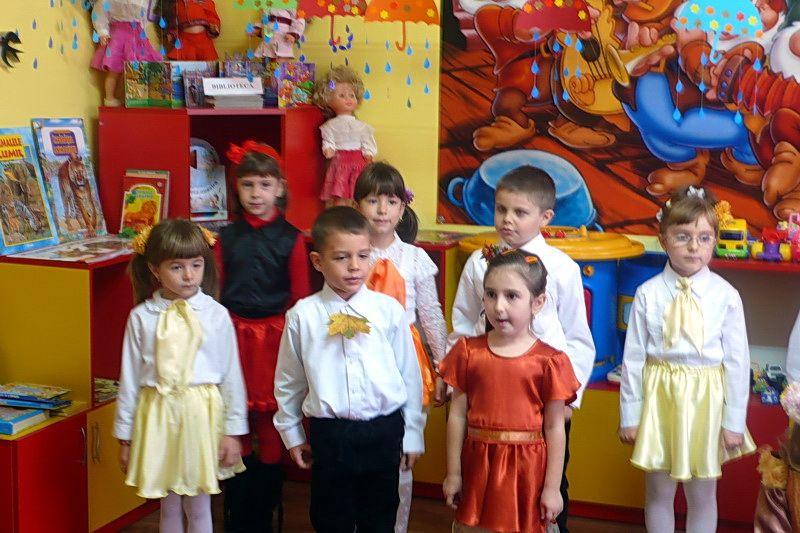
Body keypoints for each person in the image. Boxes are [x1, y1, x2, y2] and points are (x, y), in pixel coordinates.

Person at [448, 165, 595, 532]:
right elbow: (463, 322)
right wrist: (454, 381)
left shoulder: (562, 267)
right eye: (501, 209)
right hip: (488, 393)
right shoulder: (478, 262)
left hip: (543, 396)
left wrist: (569, 400)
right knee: (483, 477)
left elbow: (578, 338)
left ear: (545, 217)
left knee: (550, 482)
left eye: (519, 212)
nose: (507, 219)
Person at [274, 206, 425, 531]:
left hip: (384, 431)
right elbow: (289, 381)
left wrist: (413, 433)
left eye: (363, 256)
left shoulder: (388, 310)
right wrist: (292, 433)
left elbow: (409, 376)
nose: (355, 266)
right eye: (342, 257)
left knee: (380, 517)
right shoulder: (303, 316)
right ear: (318, 261)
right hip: (330, 434)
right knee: (330, 518)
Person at [619, 186, 756, 533]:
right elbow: (633, 359)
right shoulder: (648, 293)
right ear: (664, 240)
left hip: (706, 403)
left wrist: (734, 421)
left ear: (714, 242)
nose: (694, 246)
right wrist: (630, 416)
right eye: (683, 237)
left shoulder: (726, 295)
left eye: (704, 238)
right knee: (658, 492)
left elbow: (738, 362)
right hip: (660, 400)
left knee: (703, 495)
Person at [114, 218, 248, 532]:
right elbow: (130, 380)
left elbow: (231, 376)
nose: (189, 275)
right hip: (157, 416)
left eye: (196, 265)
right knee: (168, 504)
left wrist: (232, 431)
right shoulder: (141, 318)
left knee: (199, 506)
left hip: (201, 415)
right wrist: (126, 437)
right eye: (177, 267)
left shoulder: (216, 315)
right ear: (154, 269)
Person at [442, 248, 579, 532]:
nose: (499, 306)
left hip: (527, 471)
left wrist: (552, 488)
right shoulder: (468, 352)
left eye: (511, 296)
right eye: (491, 295)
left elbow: (555, 426)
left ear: (537, 302)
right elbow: (457, 415)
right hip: (478, 468)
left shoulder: (550, 361)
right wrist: (454, 473)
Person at [217, 141, 311, 531]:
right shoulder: (226, 238)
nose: (256, 194)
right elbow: (216, 292)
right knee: (235, 413)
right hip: (235, 336)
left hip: (275, 338)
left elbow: (300, 298)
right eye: (248, 185)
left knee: (273, 416)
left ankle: (266, 502)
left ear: (280, 188)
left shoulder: (292, 239)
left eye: (265, 185)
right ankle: (238, 504)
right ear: (236, 188)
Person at [354, 162, 447, 532]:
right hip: (358, 354)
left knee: (402, 454)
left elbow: (431, 314)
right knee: (360, 450)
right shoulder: (351, 254)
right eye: (372, 200)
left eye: (391, 201)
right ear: (357, 205)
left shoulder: (414, 257)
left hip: (405, 360)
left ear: (402, 207)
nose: (382, 210)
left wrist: (442, 366)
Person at [313, 66, 378, 207]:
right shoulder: (329, 126)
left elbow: (367, 141)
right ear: (329, 100)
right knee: (340, 194)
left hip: (359, 162)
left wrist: (369, 153)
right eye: (341, 96)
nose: (348, 99)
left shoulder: (362, 126)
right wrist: (328, 148)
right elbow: (328, 140)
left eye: (351, 95)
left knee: (360, 195)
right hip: (340, 163)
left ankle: (358, 216)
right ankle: (341, 216)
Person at [90, 0, 163, 106]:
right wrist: (102, 31)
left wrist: (142, 28)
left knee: (138, 68)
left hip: (137, 33)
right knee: (114, 70)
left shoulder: (143, 2)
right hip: (119, 33)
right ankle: (109, 98)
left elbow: (146, 15)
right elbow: (100, 12)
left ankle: (133, 97)